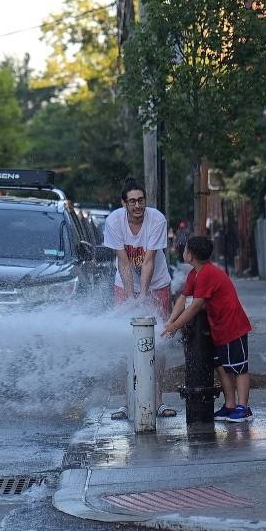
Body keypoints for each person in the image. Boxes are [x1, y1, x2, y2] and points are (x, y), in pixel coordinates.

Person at [103, 177, 175, 418]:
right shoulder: (114, 221)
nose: (137, 205)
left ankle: (158, 399)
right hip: (124, 284)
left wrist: (144, 295)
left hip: (157, 283)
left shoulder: (157, 219)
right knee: (127, 342)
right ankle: (128, 401)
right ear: (123, 203)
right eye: (132, 201)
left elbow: (149, 260)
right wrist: (132, 296)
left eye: (141, 200)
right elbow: (123, 261)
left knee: (159, 342)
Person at [162, 235, 253, 423]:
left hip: (233, 326)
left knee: (239, 368)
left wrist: (175, 326)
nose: (183, 251)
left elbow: (195, 306)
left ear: (191, 255)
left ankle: (243, 408)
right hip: (219, 328)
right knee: (221, 367)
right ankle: (230, 406)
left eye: (186, 249)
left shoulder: (207, 274)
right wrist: (170, 321)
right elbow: (182, 298)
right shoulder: (194, 273)